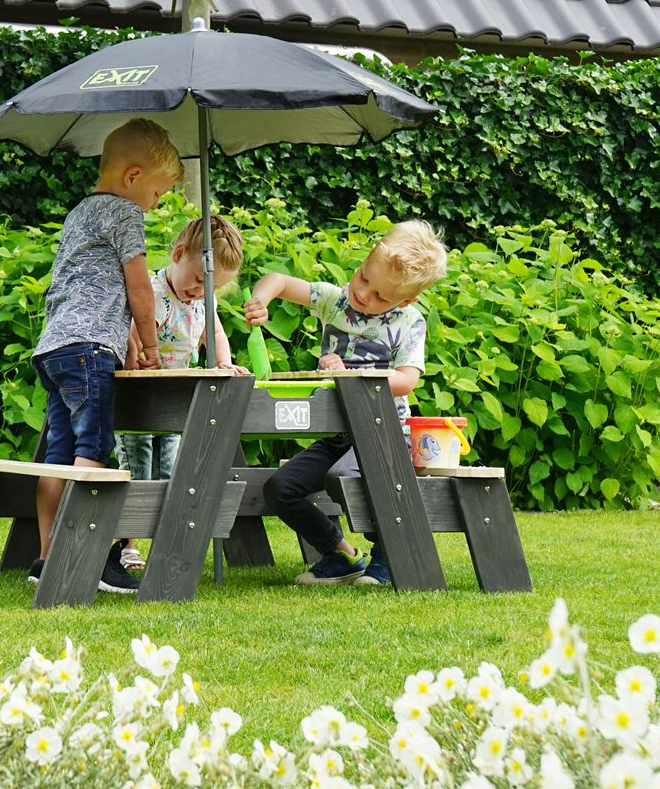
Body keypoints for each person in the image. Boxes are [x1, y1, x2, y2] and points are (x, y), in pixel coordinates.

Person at [242, 220, 449, 588]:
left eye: (380, 296)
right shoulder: (336, 301)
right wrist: (262, 300)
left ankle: (387, 555)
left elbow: (406, 380)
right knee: (280, 488)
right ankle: (341, 554)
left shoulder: (409, 321)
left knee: (350, 478)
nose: (364, 294)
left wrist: (354, 374)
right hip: (340, 436)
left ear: (406, 299)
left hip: (383, 434)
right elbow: (280, 280)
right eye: (363, 278)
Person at [29, 118, 182, 594]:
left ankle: (47, 556)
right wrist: (151, 345)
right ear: (133, 177)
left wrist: (127, 341)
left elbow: (91, 289)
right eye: (158, 195)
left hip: (55, 348)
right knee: (93, 452)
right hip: (90, 351)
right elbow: (138, 288)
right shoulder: (124, 214)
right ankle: (90, 559)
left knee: (58, 457)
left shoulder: (79, 214)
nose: (155, 207)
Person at [115, 213, 247, 573]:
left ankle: (164, 536)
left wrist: (223, 363)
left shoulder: (202, 302)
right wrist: (138, 356)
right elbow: (134, 333)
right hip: (140, 400)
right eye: (197, 281)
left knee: (170, 469)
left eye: (212, 288)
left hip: (175, 405)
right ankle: (126, 543)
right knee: (138, 466)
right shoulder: (155, 296)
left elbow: (216, 335)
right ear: (178, 255)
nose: (200, 292)